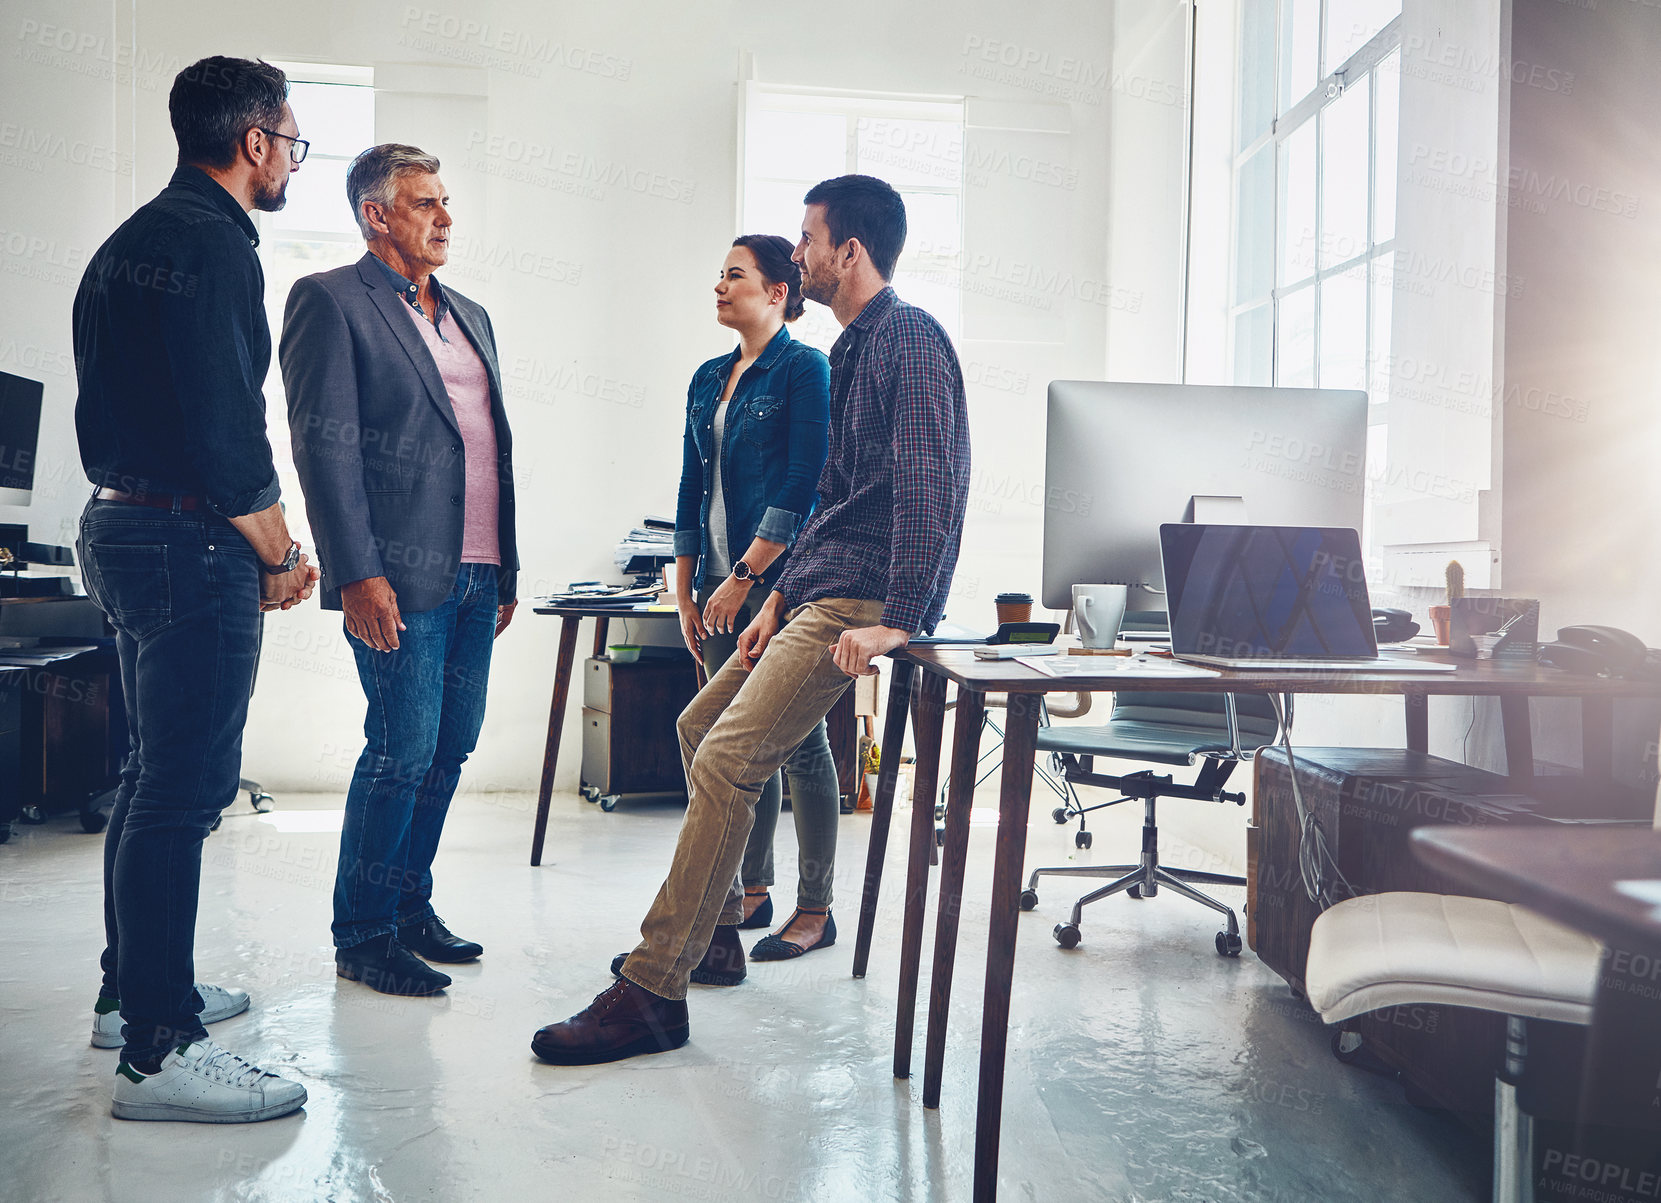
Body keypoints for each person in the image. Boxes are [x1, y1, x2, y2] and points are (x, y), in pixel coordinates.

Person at [533, 174, 971, 1065]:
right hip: (815, 588)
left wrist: (907, 622)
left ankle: (654, 986)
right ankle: (719, 933)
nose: (796, 254)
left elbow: (933, 486)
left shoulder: (910, 341)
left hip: (859, 601)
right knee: (700, 727)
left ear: (847, 251)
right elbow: (832, 502)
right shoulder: (849, 354)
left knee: (732, 755)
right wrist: (775, 595)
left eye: (806, 239)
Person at [72, 55, 318, 1122]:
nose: (292, 162)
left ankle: (130, 993)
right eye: (293, 143)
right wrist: (278, 552)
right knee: (181, 793)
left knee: (146, 778)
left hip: (121, 528)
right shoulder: (216, 247)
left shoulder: (130, 240)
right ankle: (158, 1054)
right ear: (255, 141)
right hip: (184, 543)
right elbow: (227, 433)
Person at [280, 144, 519, 998]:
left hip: (478, 572)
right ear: (377, 214)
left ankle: (409, 906)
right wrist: (355, 572)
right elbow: (322, 445)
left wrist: (507, 567)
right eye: (425, 203)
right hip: (396, 577)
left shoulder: (471, 314)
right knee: (400, 749)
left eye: (445, 201)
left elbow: (489, 444)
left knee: (449, 748)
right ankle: (364, 932)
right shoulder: (329, 301)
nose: (445, 217)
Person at [671, 233, 838, 974]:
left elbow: (802, 484)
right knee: (731, 747)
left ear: (776, 292)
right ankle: (748, 890)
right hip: (715, 584)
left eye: (733, 275)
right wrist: (686, 584)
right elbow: (687, 486)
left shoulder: (805, 370)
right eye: (717, 273)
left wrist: (746, 574)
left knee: (798, 744)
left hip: (774, 584)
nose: (718, 285)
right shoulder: (708, 377)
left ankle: (815, 906)